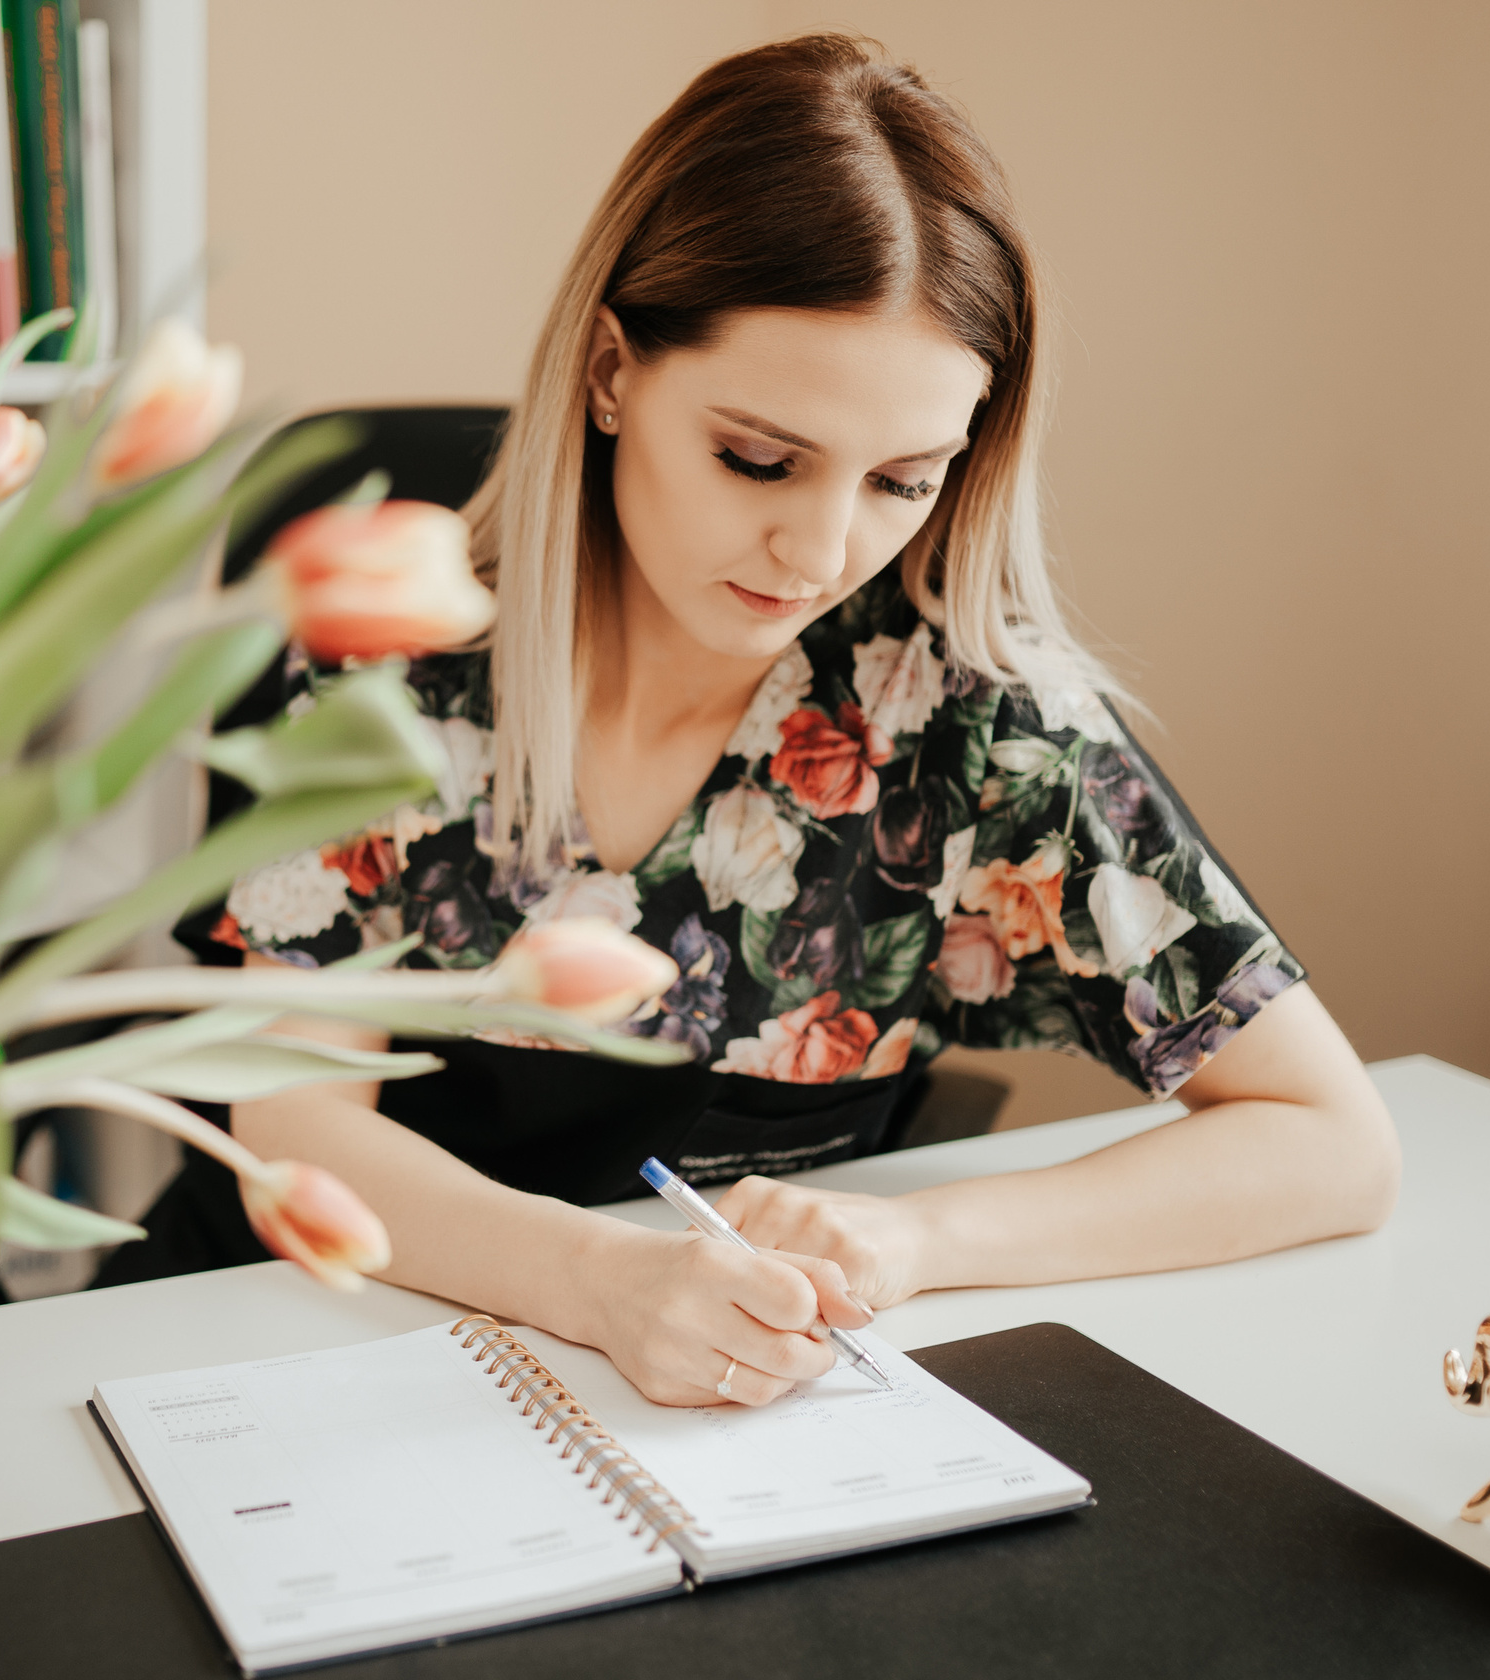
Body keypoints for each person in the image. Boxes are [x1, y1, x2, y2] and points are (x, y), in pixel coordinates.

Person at [97, 33, 1400, 1410]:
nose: (819, 548)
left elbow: (1330, 1141)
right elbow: (300, 1139)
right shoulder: (399, 659)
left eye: (903, 480)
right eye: (758, 458)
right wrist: (608, 1288)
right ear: (611, 373)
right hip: (289, 1362)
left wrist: (918, 1240)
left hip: (696, 1426)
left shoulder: (970, 724)